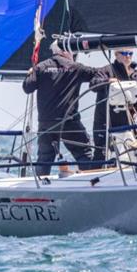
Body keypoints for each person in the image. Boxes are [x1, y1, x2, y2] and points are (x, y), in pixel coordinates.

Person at [22, 44, 99, 176]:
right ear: (67, 52)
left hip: (46, 123)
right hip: (69, 122)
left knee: (45, 158)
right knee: (83, 154)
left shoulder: (41, 67)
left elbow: (27, 88)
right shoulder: (76, 67)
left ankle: (41, 187)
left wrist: (31, 73)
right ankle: (92, 183)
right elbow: (97, 73)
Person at [90, 48, 137, 162]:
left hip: (128, 121)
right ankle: (94, 174)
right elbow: (93, 84)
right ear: (116, 55)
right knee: (101, 153)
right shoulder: (107, 70)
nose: (128, 56)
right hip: (106, 121)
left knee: (133, 152)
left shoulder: (135, 74)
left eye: (130, 53)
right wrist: (108, 81)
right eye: (124, 53)